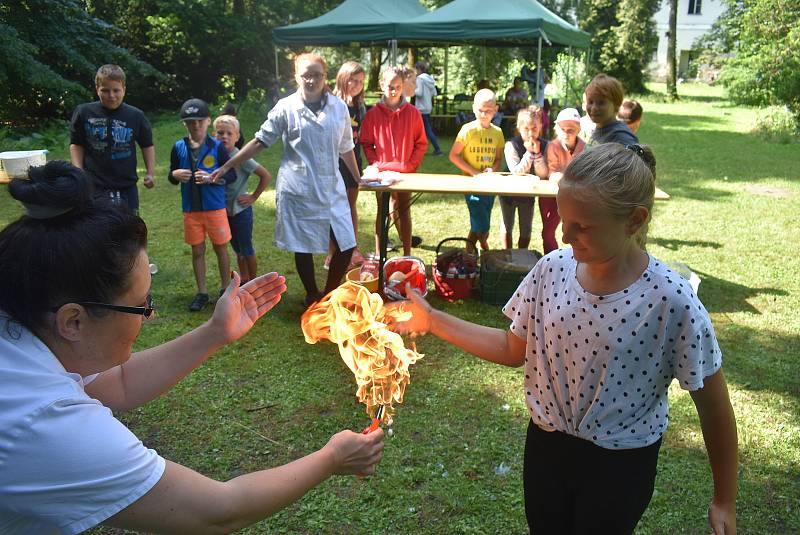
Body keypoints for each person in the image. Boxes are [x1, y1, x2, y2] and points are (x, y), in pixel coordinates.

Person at [0, 161, 384, 534]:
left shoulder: (21, 321)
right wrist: (332, 458)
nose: (148, 316)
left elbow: (117, 384)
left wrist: (215, 332)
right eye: (142, 305)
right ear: (73, 321)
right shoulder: (44, 423)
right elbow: (217, 512)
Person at [391, 143, 738, 535]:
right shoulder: (551, 270)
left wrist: (724, 499)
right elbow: (511, 348)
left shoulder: (671, 301)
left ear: (634, 221)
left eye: (582, 226)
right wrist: (433, 320)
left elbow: (714, 408)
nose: (563, 233)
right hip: (546, 449)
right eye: (564, 218)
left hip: (620, 464)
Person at [212, 53, 362, 308]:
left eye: (317, 75)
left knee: (346, 244)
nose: (312, 80)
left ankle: (329, 293)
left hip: (330, 185)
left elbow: (346, 146)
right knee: (301, 244)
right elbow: (261, 141)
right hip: (299, 188)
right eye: (306, 75)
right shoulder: (286, 107)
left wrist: (358, 178)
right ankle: (312, 293)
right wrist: (228, 164)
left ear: (325, 76)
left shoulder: (338, 108)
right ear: (296, 76)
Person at [169, 98, 235, 311]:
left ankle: (225, 289)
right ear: (184, 124)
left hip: (214, 208)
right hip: (191, 210)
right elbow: (171, 175)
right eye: (190, 121)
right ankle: (202, 292)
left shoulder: (217, 147)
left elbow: (231, 174)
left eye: (199, 120)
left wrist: (213, 178)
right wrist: (174, 174)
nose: (195, 125)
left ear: (208, 121)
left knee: (220, 248)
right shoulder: (179, 147)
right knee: (197, 250)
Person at [69, 64, 155, 214]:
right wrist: (78, 171)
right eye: (105, 91)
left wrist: (150, 173)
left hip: (126, 185)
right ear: (97, 89)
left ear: (124, 89)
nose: (111, 96)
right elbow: (76, 143)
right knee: (96, 228)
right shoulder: (84, 112)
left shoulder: (136, 115)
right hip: (93, 184)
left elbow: (147, 145)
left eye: (116, 90)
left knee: (129, 228)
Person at [361, 66, 428, 257]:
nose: (393, 90)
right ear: (382, 85)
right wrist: (376, 164)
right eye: (390, 86)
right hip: (381, 175)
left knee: (404, 210)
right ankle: (379, 256)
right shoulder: (373, 114)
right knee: (382, 211)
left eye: (398, 86)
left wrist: (411, 165)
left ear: (403, 86)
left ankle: (407, 254)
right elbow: (366, 143)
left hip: (406, 173)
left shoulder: (413, 113)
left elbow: (421, 143)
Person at [213, 114, 271, 283]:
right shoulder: (215, 156)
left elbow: (265, 176)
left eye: (229, 133)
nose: (224, 136)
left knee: (246, 249)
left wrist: (253, 196)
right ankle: (244, 279)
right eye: (220, 132)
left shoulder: (241, 157)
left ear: (237, 137)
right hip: (224, 211)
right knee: (237, 249)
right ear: (213, 135)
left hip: (241, 211)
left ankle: (253, 281)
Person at [449, 88, 505, 252]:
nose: (483, 114)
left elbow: (499, 159)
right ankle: (484, 248)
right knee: (479, 221)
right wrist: (474, 172)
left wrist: (492, 170)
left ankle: (470, 254)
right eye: (480, 110)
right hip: (471, 185)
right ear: (474, 108)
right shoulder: (467, 130)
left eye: (488, 111)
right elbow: (454, 155)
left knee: (482, 222)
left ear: (496, 110)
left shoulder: (498, 133)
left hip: (489, 185)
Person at [327, 60, 367, 271]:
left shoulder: (360, 106)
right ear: (343, 78)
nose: (357, 84)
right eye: (353, 79)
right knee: (333, 209)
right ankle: (332, 250)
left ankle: (353, 248)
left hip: (353, 161)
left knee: (350, 205)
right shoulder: (331, 103)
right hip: (333, 164)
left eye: (361, 81)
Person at [501, 106, 549, 250]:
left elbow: (543, 174)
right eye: (526, 129)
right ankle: (507, 253)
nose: (530, 133)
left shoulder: (546, 145)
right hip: (508, 192)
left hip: (528, 194)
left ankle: (521, 255)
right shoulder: (511, 145)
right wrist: (529, 153)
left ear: (540, 126)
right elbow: (516, 171)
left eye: (534, 128)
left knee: (526, 228)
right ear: (519, 128)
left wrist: (537, 154)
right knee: (507, 224)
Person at [542, 107, 586, 253]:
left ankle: (576, 258)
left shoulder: (584, 148)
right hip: (551, 196)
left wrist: (566, 178)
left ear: (579, 130)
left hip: (575, 197)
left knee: (576, 231)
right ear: (557, 129)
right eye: (563, 129)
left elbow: (584, 174)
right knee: (547, 232)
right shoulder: (553, 146)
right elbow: (552, 173)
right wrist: (571, 179)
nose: (566, 133)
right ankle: (551, 258)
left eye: (571, 130)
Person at [584, 74, 639, 146]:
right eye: (590, 102)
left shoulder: (621, 137)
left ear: (616, 105)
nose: (594, 108)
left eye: (601, 103)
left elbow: (633, 156)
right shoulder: (600, 128)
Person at [414, 61, 443, 156]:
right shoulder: (429, 79)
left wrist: (411, 89)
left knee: (425, 130)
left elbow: (419, 93)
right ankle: (434, 149)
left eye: (415, 69)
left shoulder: (419, 79)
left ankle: (437, 149)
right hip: (427, 107)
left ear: (419, 69)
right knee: (425, 129)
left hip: (420, 108)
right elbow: (434, 93)